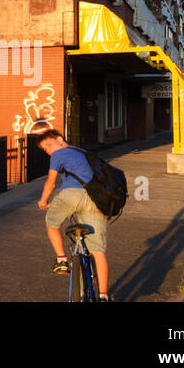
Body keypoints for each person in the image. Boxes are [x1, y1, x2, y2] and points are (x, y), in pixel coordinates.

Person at [33, 124, 110, 300]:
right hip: (94, 199)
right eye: (45, 150)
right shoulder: (82, 152)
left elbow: (51, 183)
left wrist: (43, 201)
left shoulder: (59, 154)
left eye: (49, 146)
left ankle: (61, 260)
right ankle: (104, 295)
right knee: (98, 251)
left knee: (51, 223)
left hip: (71, 195)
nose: (48, 151)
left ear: (60, 140)